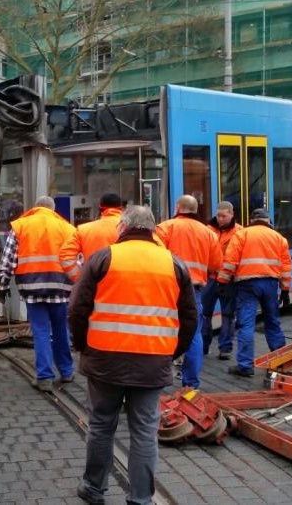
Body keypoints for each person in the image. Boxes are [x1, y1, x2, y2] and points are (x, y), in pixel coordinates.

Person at [68, 205, 197, 505]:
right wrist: (171, 351)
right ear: (153, 229)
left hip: (104, 360)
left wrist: (82, 345)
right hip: (152, 363)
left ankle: (94, 488)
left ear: (122, 227)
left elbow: (76, 308)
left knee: (101, 425)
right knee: (144, 431)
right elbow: (190, 317)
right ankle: (141, 498)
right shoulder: (174, 264)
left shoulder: (103, 258)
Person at [0, 195, 76, 392]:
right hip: (60, 287)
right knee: (61, 330)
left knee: (40, 332)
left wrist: (2, 285)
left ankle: (44, 377)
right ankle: (66, 371)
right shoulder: (67, 228)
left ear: (36, 208)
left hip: (32, 288)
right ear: (52, 209)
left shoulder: (21, 226)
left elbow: (7, 260)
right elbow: (77, 260)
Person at [155, 194, 221, 389]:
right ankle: (190, 383)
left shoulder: (165, 228)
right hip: (194, 290)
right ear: (195, 209)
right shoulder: (208, 233)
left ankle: (159, 378)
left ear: (177, 208)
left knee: (161, 331)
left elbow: (155, 257)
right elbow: (216, 264)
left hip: (168, 288)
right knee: (193, 334)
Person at [217, 207, 292, 377]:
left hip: (246, 285)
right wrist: (285, 290)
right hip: (270, 284)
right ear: (268, 221)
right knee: (272, 322)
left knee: (246, 324)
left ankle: (245, 365)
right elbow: (286, 266)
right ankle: (280, 362)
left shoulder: (241, 234)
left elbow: (230, 261)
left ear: (251, 220)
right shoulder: (279, 238)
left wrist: (222, 281)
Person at [201, 201, 242, 360]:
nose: (220, 219)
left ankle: (225, 349)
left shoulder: (239, 232)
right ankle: (204, 346)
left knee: (227, 315)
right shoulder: (208, 230)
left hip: (228, 280)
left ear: (231, 214)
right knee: (206, 314)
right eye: (218, 215)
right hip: (210, 277)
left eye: (224, 216)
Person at [59, 192, 123, 282]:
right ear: (121, 208)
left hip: (96, 285)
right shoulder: (134, 229)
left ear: (100, 209)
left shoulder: (84, 229)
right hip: (125, 285)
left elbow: (65, 256)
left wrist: (81, 279)